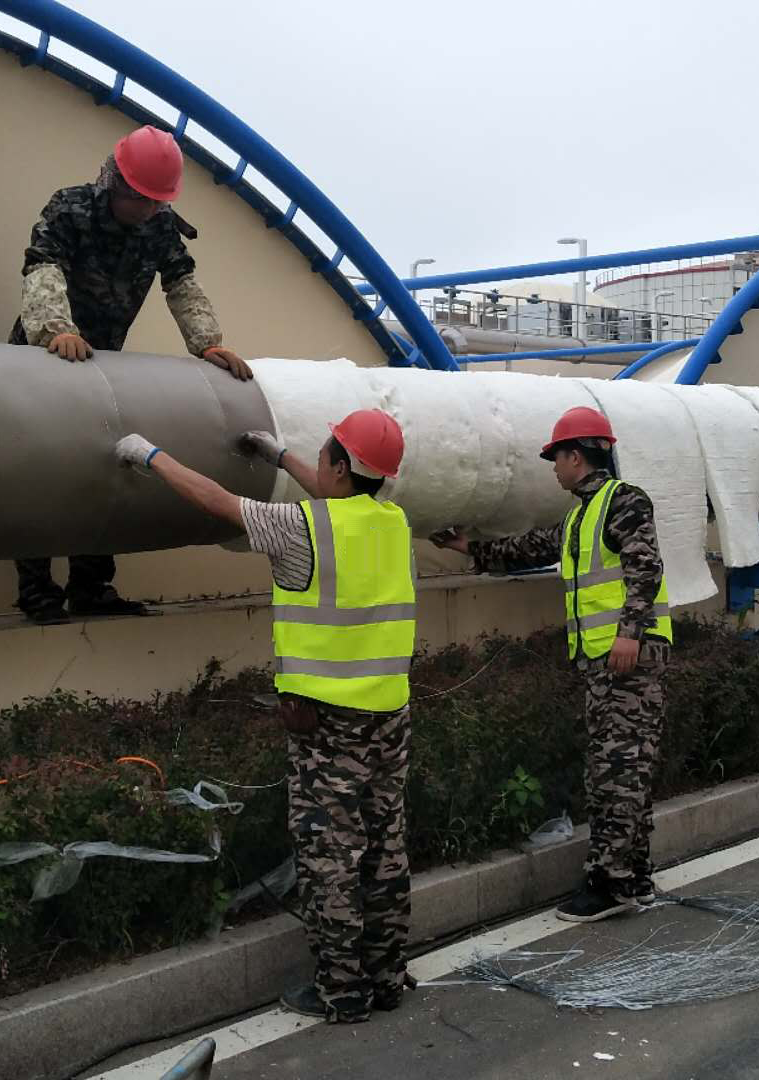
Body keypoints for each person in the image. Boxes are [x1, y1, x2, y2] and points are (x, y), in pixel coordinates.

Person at [114, 410, 417, 1024]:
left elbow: (219, 501)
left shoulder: (299, 526)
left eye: (323, 457)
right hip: (389, 715)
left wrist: (148, 455)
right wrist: (278, 455)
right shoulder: (393, 522)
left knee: (331, 855)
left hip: (329, 725)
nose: (319, 465)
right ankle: (385, 977)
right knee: (384, 848)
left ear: (339, 467)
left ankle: (342, 991)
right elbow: (335, 501)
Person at [431, 405, 672, 923]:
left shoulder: (624, 501)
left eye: (556, 458)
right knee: (624, 769)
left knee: (615, 773)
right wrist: (469, 547)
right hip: (604, 660)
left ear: (576, 456)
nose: (554, 469)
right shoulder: (580, 517)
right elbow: (530, 547)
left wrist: (629, 633)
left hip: (626, 658)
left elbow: (646, 568)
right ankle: (635, 876)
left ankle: (609, 885)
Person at [9, 126, 254, 623]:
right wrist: (57, 330)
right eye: (140, 198)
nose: (147, 209)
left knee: (103, 469)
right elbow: (42, 265)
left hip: (104, 367)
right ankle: (37, 592)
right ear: (113, 181)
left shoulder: (161, 226)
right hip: (45, 358)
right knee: (41, 473)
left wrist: (207, 342)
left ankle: (91, 588)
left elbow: (181, 283)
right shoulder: (70, 208)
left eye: (156, 201)